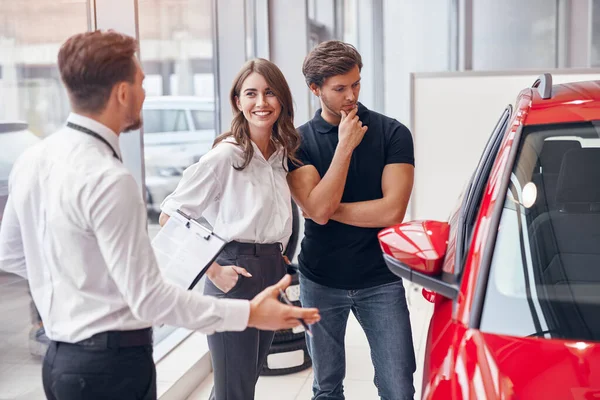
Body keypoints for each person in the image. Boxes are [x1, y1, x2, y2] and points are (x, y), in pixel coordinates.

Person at [0, 30, 319, 400]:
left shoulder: (33, 158)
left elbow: (11, 255)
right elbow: (149, 297)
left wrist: (78, 292)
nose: (145, 93)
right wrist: (243, 310)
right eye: (141, 82)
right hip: (112, 359)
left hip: (60, 357)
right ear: (122, 92)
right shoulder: (111, 179)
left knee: (242, 383)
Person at [158, 57, 302, 400]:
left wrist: (278, 260)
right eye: (251, 94)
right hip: (234, 272)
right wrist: (214, 270)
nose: (261, 102)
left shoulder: (282, 155)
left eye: (269, 93)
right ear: (238, 101)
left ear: (282, 99)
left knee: (243, 382)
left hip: (269, 269)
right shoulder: (226, 155)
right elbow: (171, 215)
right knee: (234, 389)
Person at [287, 40, 416, 399]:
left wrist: (324, 209)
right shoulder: (297, 142)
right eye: (339, 88)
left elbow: (392, 212)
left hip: (381, 279)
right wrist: (344, 146)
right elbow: (317, 210)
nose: (351, 95)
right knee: (326, 387)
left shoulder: (393, 133)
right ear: (315, 89)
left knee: (398, 385)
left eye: (356, 84)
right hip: (320, 280)